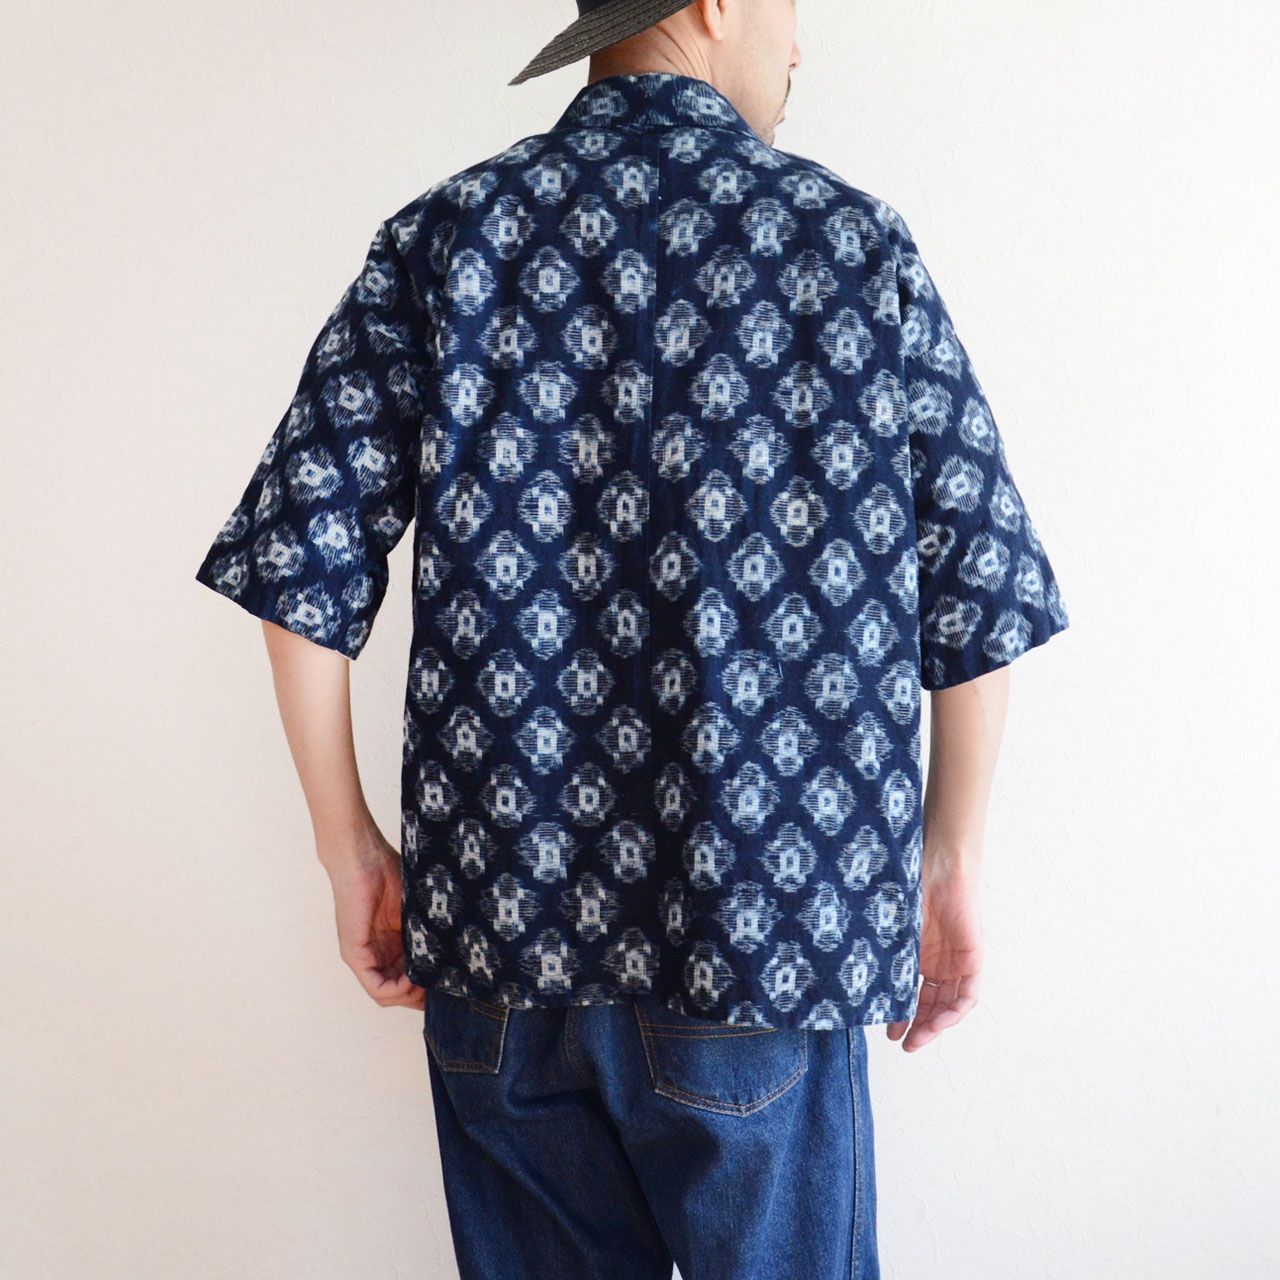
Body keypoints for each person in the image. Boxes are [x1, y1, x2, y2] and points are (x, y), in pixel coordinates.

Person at [193, 2, 1070, 1276]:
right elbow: (976, 593)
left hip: (498, 933)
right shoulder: (847, 244)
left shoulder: (448, 234)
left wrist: (351, 851)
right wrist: (949, 856)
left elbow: (297, 569)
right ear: (712, 4)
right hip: (763, 936)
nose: (798, 47)